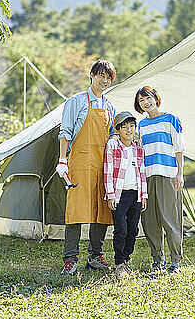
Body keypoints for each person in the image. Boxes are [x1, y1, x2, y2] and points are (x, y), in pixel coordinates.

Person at [56, 59, 117, 275]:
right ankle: (70, 259)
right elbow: (65, 132)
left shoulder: (110, 107)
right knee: (76, 210)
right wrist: (62, 160)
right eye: (101, 75)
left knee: (102, 209)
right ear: (92, 75)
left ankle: (95, 256)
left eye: (109, 78)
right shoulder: (76, 101)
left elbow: (112, 136)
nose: (104, 80)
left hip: (103, 164)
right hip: (80, 162)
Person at [135, 86, 185, 275]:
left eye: (148, 98)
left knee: (169, 218)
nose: (146, 103)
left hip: (167, 175)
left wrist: (180, 174)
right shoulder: (141, 125)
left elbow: (179, 149)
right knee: (150, 220)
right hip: (147, 176)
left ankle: (175, 262)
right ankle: (158, 259)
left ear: (156, 98)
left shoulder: (172, 119)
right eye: (141, 101)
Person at [103, 111, 148, 277]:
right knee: (120, 229)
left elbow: (142, 172)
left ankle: (126, 259)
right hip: (119, 195)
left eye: (131, 126)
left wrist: (143, 195)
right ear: (118, 130)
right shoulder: (113, 146)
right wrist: (110, 195)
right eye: (124, 127)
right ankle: (119, 263)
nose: (129, 130)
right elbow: (107, 172)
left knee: (133, 230)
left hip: (135, 194)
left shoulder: (138, 149)